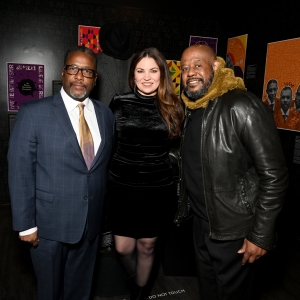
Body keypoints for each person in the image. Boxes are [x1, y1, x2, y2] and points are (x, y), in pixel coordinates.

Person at [175, 44, 289, 300]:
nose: (190, 72)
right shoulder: (193, 108)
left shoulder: (242, 105)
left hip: (235, 233)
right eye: (184, 68)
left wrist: (260, 235)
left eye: (197, 65)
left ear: (215, 67)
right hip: (202, 226)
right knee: (209, 293)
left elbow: (275, 175)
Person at [7, 45, 115, 300]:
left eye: (87, 71)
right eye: (73, 69)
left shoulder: (106, 115)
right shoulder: (34, 112)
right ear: (63, 72)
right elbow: (20, 169)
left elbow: (101, 168)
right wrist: (25, 225)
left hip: (90, 225)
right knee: (50, 291)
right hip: (48, 226)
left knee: (81, 290)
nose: (79, 76)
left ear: (95, 79)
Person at [107, 47, 184, 300]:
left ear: (162, 74)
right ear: (133, 74)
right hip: (122, 187)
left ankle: (140, 294)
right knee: (122, 246)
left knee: (148, 245)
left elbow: (179, 148)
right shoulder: (119, 102)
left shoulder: (174, 106)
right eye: (141, 70)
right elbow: (106, 144)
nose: (147, 76)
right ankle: (133, 279)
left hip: (156, 188)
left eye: (153, 70)